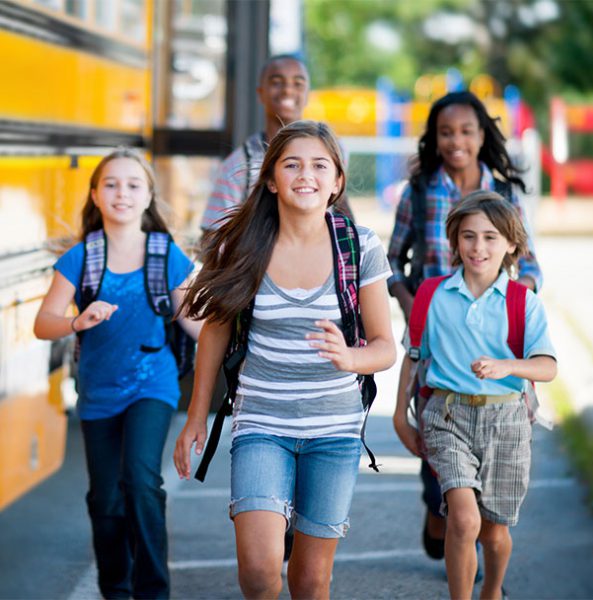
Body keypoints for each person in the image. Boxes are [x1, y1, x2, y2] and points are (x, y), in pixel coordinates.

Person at [174, 120, 396, 599]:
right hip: (261, 425)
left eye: (320, 165)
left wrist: (349, 356)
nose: (306, 175)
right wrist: (196, 416)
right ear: (271, 178)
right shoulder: (242, 245)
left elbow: (384, 347)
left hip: (334, 431)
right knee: (258, 573)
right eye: (291, 163)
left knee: (311, 581)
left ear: (337, 182)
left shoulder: (358, 246)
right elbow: (214, 331)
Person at [34, 148, 202, 599]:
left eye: (133, 184)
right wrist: (76, 321)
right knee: (105, 500)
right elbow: (42, 323)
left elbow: (197, 323)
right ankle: (116, 590)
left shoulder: (164, 254)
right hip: (98, 392)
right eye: (111, 184)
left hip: (153, 384)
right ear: (95, 194)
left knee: (142, 481)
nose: (121, 193)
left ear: (149, 196)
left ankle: (153, 591)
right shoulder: (81, 257)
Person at [387, 90, 543, 560]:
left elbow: (529, 262)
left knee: (489, 476)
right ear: (435, 139)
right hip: (435, 337)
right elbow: (393, 259)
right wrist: (413, 301)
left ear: (482, 136)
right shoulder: (418, 190)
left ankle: (471, 542)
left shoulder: (506, 194)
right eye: (446, 132)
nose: (456, 140)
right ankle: (442, 512)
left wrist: (520, 299)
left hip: (493, 342)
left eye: (466, 131)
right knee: (437, 448)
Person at [394, 190, 556, 600]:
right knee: (463, 520)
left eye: (490, 237)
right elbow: (413, 358)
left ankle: (493, 591)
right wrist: (400, 417)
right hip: (447, 417)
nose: (478, 247)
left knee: (494, 530)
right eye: (468, 236)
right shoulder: (431, 296)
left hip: (507, 424)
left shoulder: (524, 303)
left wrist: (509, 367)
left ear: (511, 245)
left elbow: (548, 367)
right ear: (454, 241)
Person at [200, 54, 352, 234]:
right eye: (277, 82)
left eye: (298, 83)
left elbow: (340, 207)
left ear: (307, 93)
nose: (287, 90)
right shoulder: (239, 164)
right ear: (260, 93)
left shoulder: (333, 150)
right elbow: (212, 236)